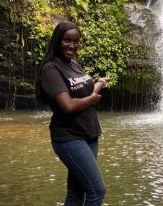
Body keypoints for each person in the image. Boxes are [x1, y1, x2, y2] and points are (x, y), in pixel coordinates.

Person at [36, 21, 110, 205]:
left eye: (76, 41)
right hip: (69, 137)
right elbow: (68, 105)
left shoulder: (73, 64)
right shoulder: (51, 69)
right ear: (57, 40)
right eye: (67, 40)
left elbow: (85, 89)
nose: (72, 45)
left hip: (89, 134)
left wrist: (99, 82)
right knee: (97, 191)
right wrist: (93, 100)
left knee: (77, 192)